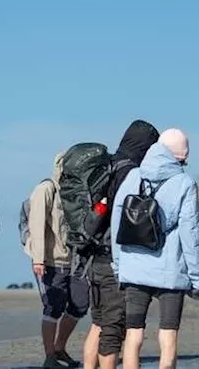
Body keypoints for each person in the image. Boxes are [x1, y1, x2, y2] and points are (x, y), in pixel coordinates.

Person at [110, 128, 199, 369]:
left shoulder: (133, 176)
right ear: (181, 156)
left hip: (134, 267)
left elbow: (117, 222)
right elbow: (191, 234)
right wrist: (197, 277)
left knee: (133, 334)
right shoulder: (185, 183)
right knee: (168, 334)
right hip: (170, 271)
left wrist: (118, 265)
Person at [81, 120, 158, 369]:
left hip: (92, 255)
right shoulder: (131, 173)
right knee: (112, 330)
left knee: (99, 323)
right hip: (113, 259)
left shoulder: (107, 166)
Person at [27, 152, 87, 369]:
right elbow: (36, 225)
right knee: (53, 307)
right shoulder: (46, 189)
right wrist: (38, 259)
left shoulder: (78, 191)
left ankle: (60, 347)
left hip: (75, 259)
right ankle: (50, 355)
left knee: (81, 304)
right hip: (51, 259)